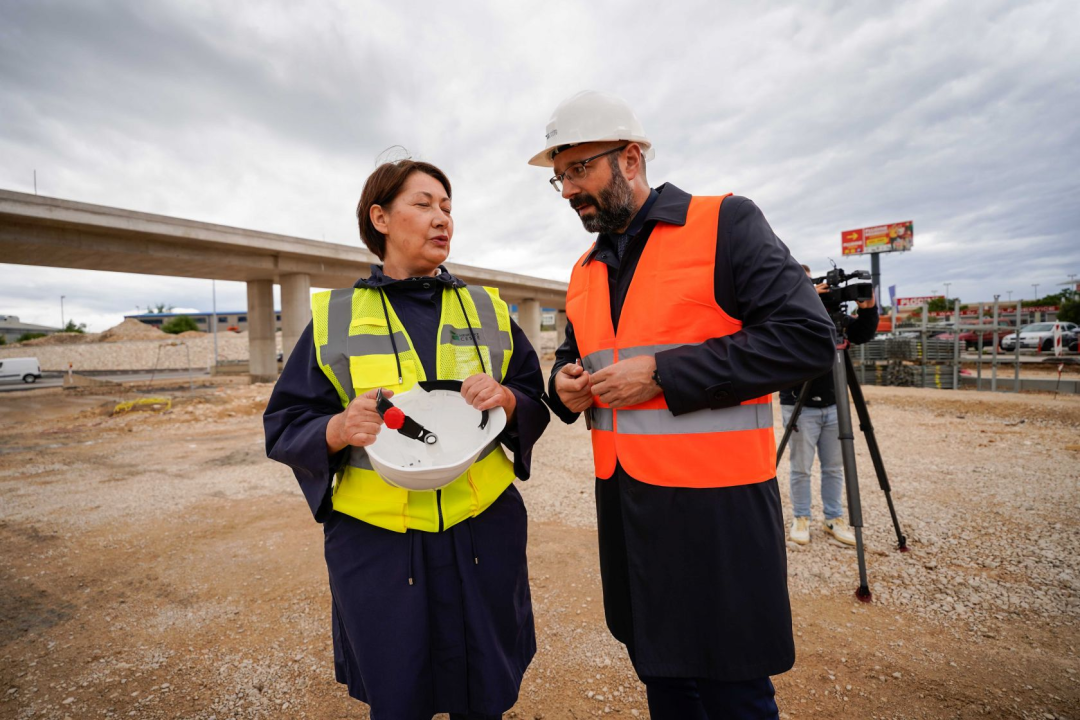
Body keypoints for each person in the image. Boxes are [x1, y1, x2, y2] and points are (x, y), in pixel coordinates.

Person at [530, 90, 836, 720]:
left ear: (632, 159)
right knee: (662, 674)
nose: (567, 191)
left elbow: (807, 340)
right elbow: (574, 355)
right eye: (559, 178)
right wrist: (564, 385)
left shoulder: (723, 223)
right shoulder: (585, 269)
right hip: (628, 508)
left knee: (732, 688)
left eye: (579, 169)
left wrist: (665, 374)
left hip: (716, 506)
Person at [264, 159, 549, 720]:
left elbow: (532, 399)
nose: (442, 218)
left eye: (447, 206)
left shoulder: (488, 310)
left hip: (481, 532)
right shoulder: (333, 317)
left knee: (483, 689)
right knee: (399, 695)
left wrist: (509, 399)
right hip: (381, 548)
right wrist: (338, 428)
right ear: (381, 218)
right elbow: (285, 422)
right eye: (423, 204)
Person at [780, 266, 878, 546]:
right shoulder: (791, 314)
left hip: (835, 403)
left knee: (834, 467)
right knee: (801, 467)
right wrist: (806, 299)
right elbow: (789, 335)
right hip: (799, 403)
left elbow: (861, 333)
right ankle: (801, 517)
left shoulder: (833, 317)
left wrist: (869, 309)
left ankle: (834, 518)